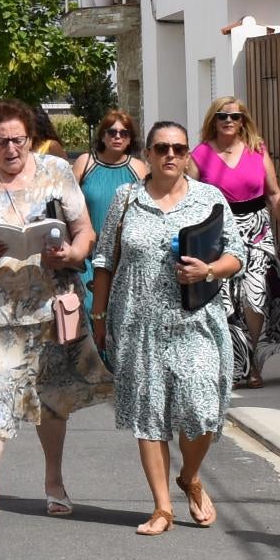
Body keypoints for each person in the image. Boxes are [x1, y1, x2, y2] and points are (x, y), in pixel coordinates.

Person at [0, 98, 107, 527]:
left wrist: (71, 253)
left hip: (49, 307)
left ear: (31, 137)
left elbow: (85, 230)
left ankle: (54, 482)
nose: (11, 149)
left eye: (18, 140)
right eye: (1, 142)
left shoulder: (57, 171)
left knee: (51, 398)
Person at [92, 121, 243, 536]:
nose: (170, 155)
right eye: (161, 148)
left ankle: (189, 476)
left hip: (195, 318)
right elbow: (104, 259)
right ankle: (162, 508)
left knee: (202, 409)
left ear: (188, 153)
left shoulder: (208, 198)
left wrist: (208, 270)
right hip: (136, 322)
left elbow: (236, 254)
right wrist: (99, 317)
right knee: (149, 413)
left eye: (178, 148)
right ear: (148, 153)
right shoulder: (127, 199)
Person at [192, 99, 280, 388]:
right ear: (214, 119)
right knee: (226, 301)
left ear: (243, 120)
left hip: (257, 230)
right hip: (218, 231)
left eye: (235, 116)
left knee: (254, 298)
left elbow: (274, 194)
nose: (228, 120)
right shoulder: (200, 154)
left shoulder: (257, 149)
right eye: (222, 116)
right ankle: (234, 362)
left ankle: (252, 358)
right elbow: (188, 197)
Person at [73, 109, 145, 312]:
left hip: (123, 257)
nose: (117, 137)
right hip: (88, 254)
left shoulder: (138, 168)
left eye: (124, 133)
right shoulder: (85, 163)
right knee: (88, 310)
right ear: (103, 136)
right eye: (112, 132)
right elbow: (66, 204)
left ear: (130, 139)